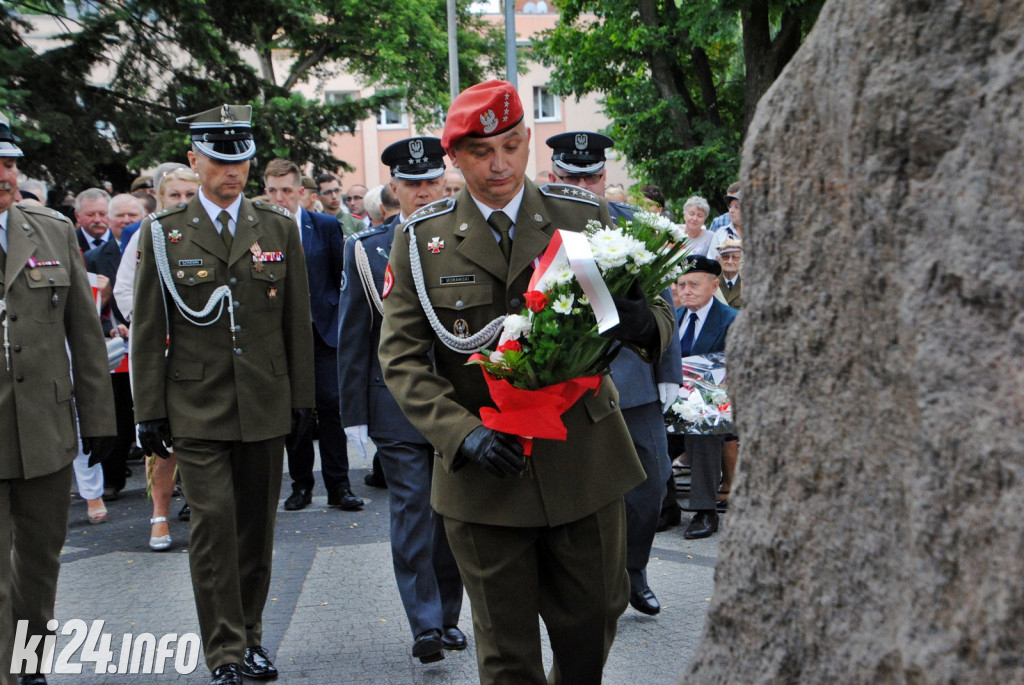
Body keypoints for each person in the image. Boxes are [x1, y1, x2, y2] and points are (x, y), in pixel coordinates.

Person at [378, 80, 674, 684]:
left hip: (583, 461)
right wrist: (461, 435)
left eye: (513, 145)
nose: (500, 164)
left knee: (591, 625)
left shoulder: (583, 215)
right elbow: (404, 360)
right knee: (507, 653)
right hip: (486, 474)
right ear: (454, 157)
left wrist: (646, 322)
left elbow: (660, 311)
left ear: (527, 141)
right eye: (483, 151)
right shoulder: (420, 240)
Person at [131, 104, 315, 685]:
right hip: (196, 405)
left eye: (239, 160)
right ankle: (226, 653)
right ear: (194, 160)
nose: (231, 171)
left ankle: (252, 638)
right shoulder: (164, 233)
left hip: (264, 402)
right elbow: (146, 327)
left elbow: (295, 318)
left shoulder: (278, 227)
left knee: (255, 532)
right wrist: (149, 410)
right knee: (213, 528)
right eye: (217, 159)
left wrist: (303, 399)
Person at [338, 136, 466, 664]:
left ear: (444, 181)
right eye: (411, 183)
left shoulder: (466, 240)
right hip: (395, 404)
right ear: (394, 188)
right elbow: (354, 335)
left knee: (452, 516)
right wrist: (355, 417)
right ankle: (425, 623)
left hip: (460, 406)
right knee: (413, 511)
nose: (422, 190)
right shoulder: (366, 250)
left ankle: (449, 615)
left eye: (431, 180)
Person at [0, 113, 117, 685]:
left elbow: (84, 335)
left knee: (41, 558)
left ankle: (31, 663)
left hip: (44, 429)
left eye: (10, 163)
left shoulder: (49, 229)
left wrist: (98, 418)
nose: (6, 174)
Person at [546, 130, 682, 616]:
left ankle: (635, 570)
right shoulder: (540, 229)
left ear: (605, 177)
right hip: (563, 386)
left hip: (633, 379)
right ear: (552, 177)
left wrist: (669, 371)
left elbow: (662, 300)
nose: (582, 185)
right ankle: (593, 585)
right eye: (571, 176)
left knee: (651, 484)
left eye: (592, 176)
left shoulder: (631, 226)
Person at [263, 158, 362, 512]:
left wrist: (338, 322)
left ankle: (339, 485)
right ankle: (301, 484)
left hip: (322, 333)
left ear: (301, 192)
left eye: (286, 190)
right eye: (272, 191)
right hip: (282, 338)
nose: (279, 198)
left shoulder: (324, 226)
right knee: (296, 413)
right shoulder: (260, 232)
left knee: (331, 408)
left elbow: (342, 279)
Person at [670, 255, 737, 540]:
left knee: (704, 431)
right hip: (673, 403)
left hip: (717, 406)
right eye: (682, 284)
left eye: (694, 284)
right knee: (647, 434)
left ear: (714, 286)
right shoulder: (674, 317)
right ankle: (665, 507)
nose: (686, 290)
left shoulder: (731, 320)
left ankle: (704, 510)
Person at [316, 173, 363, 237]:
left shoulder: (355, 223)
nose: (334, 196)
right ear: (318, 196)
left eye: (337, 190)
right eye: (328, 192)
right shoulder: (315, 224)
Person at [73, 187, 112, 252]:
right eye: (90, 215)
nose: (97, 220)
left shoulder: (122, 241)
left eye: (102, 214)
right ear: (78, 216)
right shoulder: (69, 243)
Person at [716, 238, 743, 309]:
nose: (730, 261)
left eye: (735, 257)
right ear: (719, 260)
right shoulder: (713, 283)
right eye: (725, 257)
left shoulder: (748, 284)